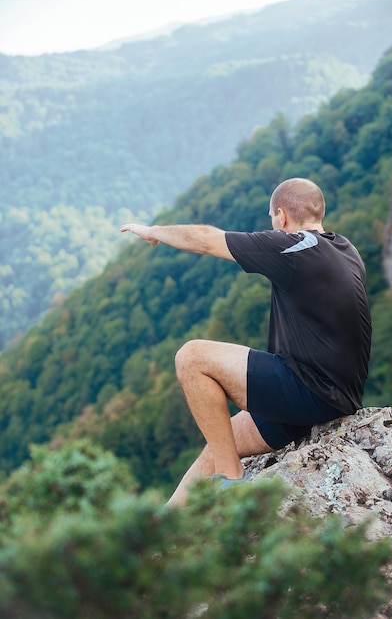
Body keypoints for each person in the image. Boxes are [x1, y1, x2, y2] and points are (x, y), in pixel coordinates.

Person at [120, 177, 371, 507]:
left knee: (192, 357)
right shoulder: (345, 248)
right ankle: (162, 530)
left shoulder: (294, 247)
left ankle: (232, 481)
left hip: (311, 393)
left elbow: (207, 240)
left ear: (281, 216)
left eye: (271, 218)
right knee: (220, 440)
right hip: (331, 395)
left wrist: (153, 230)